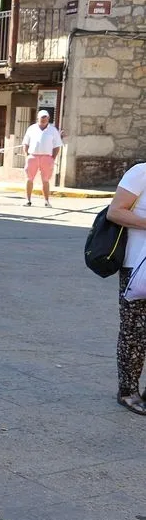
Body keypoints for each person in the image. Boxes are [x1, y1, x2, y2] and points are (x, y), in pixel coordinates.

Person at [106, 165, 146, 415]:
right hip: (138, 266)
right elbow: (115, 211)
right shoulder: (141, 172)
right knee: (135, 333)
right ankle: (128, 392)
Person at [22, 110, 62, 207]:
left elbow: (57, 146)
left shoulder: (53, 130)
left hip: (47, 158)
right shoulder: (31, 128)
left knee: (45, 180)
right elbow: (25, 143)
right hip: (33, 156)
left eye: (45, 117)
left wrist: (52, 158)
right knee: (29, 179)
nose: (44, 119)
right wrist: (27, 156)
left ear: (48, 118)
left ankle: (46, 201)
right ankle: (28, 200)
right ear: (38, 118)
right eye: (42, 117)